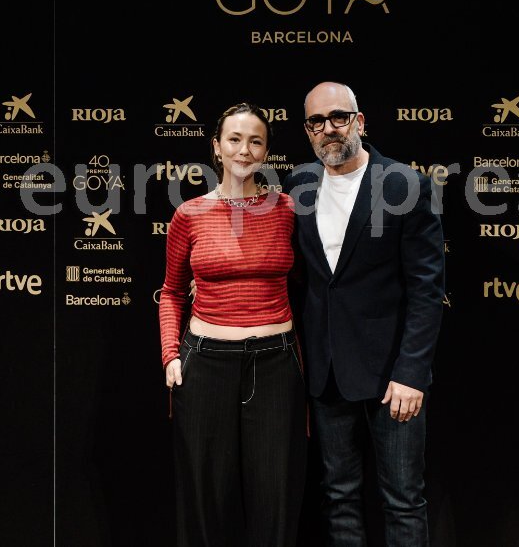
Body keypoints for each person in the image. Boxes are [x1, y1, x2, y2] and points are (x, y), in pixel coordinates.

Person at [284, 82, 445, 546]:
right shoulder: (298, 184)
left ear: (360, 121)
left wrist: (412, 372)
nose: (328, 129)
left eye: (338, 117)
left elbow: (427, 290)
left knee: (402, 501)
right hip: (327, 373)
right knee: (339, 497)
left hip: (392, 378)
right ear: (307, 130)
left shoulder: (404, 184)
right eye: (317, 121)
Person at [159, 102, 306, 547]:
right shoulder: (188, 215)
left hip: (277, 364)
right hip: (205, 365)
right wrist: (170, 355)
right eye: (235, 140)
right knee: (206, 503)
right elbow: (170, 292)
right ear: (217, 148)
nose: (245, 150)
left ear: (266, 152)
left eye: (256, 141)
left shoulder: (288, 209)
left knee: (275, 501)